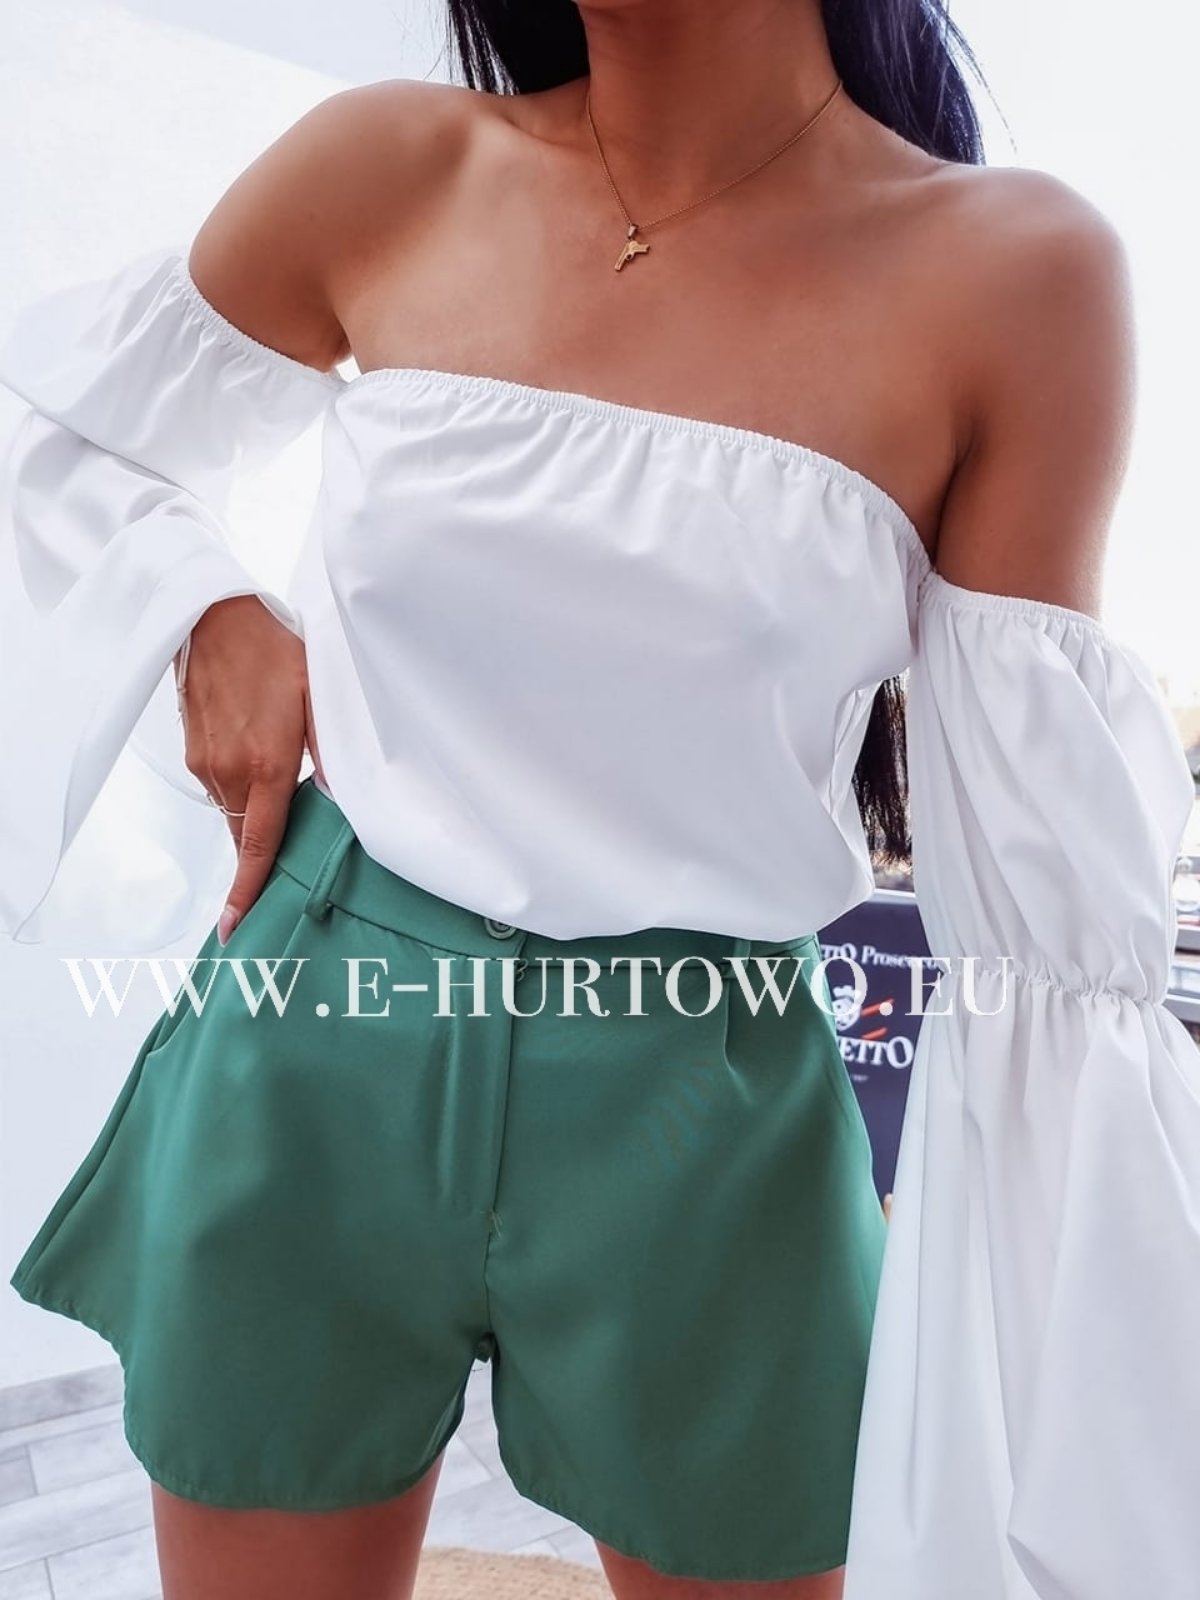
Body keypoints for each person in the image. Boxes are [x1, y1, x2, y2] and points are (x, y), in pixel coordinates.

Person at [2, 3, 1199, 1599]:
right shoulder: (391, 165)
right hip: (317, 1028)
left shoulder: (1015, 270)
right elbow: (67, 421)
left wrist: (1085, 1385)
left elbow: (1049, 922)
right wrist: (204, 609)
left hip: (705, 1104)